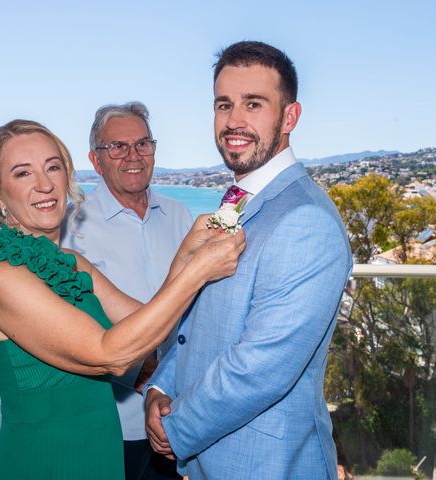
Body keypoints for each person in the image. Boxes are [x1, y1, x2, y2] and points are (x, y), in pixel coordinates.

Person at [0, 119, 245, 479]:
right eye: (23, 174)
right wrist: (197, 273)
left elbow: (149, 322)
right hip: (42, 463)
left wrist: (187, 255)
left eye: (53, 167)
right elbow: (112, 355)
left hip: (98, 453)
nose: (45, 184)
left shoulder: (69, 262)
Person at [144, 41, 353, 479]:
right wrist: (160, 387)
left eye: (253, 104)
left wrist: (175, 427)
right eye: (224, 104)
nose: (234, 121)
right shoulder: (238, 201)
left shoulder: (305, 220)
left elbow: (261, 368)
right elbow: (196, 325)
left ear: (289, 118)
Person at [61, 101, 191, 480]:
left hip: (178, 418)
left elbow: (195, 315)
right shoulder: (71, 228)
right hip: (108, 423)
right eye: (116, 146)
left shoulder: (181, 216)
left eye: (142, 144)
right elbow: (74, 331)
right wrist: (151, 382)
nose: (132, 155)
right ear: (96, 160)